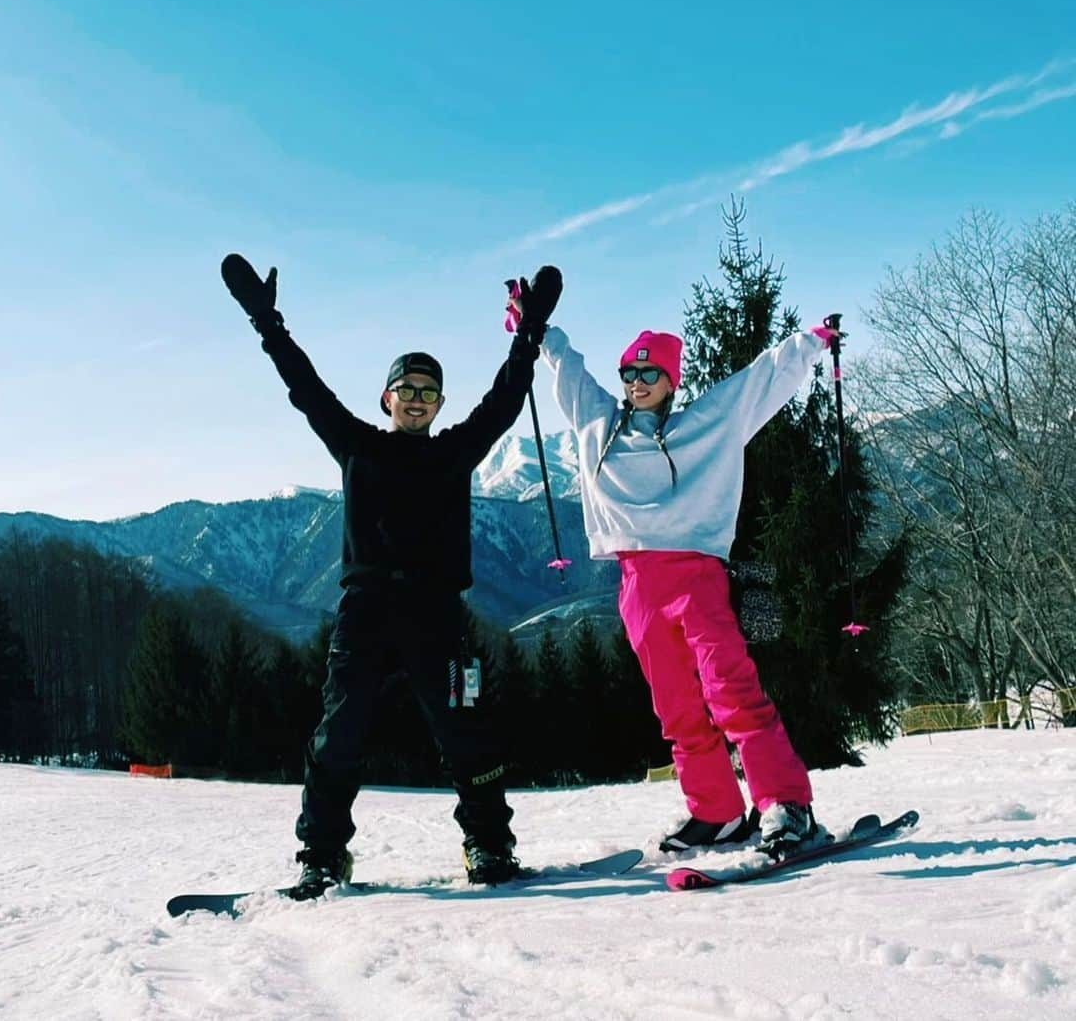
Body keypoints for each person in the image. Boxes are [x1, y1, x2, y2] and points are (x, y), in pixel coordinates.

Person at [222, 254, 562, 894]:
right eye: (405, 389)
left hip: (439, 618)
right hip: (366, 614)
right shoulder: (356, 444)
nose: (416, 400)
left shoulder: (455, 450)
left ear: (438, 403)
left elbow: (507, 399)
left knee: (468, 731)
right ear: (386, 398)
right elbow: (306, 387)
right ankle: (321, 856)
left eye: (428, 391)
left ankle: (488, 845)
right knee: (339, 732)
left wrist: (530, 333)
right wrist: (267, 323)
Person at [518, 287, 838, 857]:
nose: (636, 382)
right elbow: (566, 369)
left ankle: (785, 803)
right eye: (630, 372)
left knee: (730, 690)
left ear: (672, 380)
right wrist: (536, 324)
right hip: (636, 582)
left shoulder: (706, 425)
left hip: (696, 576)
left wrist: (811, 343)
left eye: (650, 373)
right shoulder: (598, 426)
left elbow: (757, 384)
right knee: (676, 707)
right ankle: (714, 810)